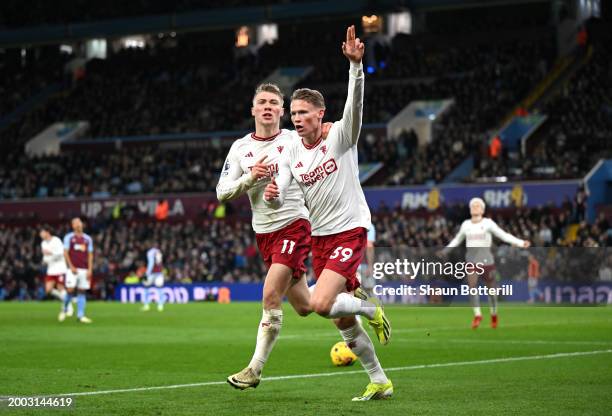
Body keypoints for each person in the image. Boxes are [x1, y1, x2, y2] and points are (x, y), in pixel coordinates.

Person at [264, 25, 393, 401]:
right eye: (295, 113)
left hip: (350, 230)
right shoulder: (291, 151)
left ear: (320, 114)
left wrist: (356, 66)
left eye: (305, 112)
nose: (298, 118)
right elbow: (284, 187)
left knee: (320, 303)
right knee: (339, 318)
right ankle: (380, 380)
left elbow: (356, 105)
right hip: (320, 237)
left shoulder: (339, 137)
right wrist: (273, 194)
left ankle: (370, 306)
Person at [217, 75, 332, 389]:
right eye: (262, 103)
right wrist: (250, 178)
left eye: (274, 104)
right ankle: (360, 304)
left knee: (270, 294)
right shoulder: (241, 148)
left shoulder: (294, 141)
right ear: (253, 109)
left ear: (282, 111)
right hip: (264, 233)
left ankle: (253, 370)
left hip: (294, 225)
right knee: (307, 306)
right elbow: (222, 192)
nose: (267, 108)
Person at [445, 197, 530, 329]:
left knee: (491, 291)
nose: (475, 207)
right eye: (473, 205)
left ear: (483, 209)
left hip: (487, 261)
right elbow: (457, 240)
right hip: (472, 261)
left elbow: (504, 235)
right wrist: (445, 250)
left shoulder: (488, 223)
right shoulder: (466, 224)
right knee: (472, 286)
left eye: (478, 205)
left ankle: (494, 313)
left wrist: (520, 242)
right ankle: (478, 315)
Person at [63, 217, 94, 324]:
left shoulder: (87, 239)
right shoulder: (69, 238)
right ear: (73, 226)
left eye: (79, 223)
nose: (78, 225)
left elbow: (90, 255)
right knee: (70, 290)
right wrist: (71, 266)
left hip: (84, 269)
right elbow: (66, 253)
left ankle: (81, 315)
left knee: (82, 291)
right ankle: (65, 308)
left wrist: (90, 269)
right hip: (72, 269)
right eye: (76, 223)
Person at [39, 227, 72, 321]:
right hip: (51, 270)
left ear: (47, 232)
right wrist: (44, 260)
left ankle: (68, 306)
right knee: (48, 289)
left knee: (61, 288)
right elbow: (45, 257)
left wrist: (50, 253)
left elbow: (61, 253)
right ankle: (67, 301)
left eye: (42, 232)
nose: (40, 235)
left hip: (60, 268)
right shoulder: (43, 244)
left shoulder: (56, 240)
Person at [141, 246, 166, 312]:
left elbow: (151, 263)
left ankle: (146, 305)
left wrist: (147, 273)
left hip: (151, 273)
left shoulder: (150, 252)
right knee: (160, 289)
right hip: (159, 273)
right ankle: (160, 306)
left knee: (146, 288)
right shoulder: (159, 252)